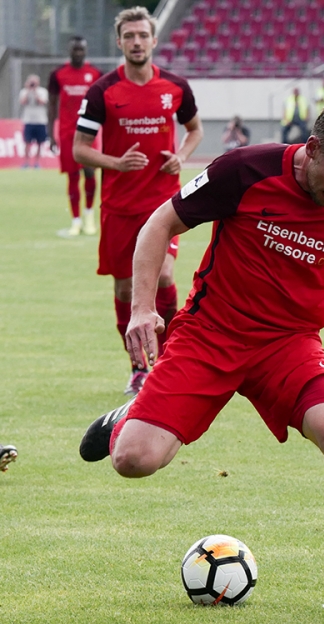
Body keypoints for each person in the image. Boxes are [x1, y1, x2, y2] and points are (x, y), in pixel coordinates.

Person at [78, 99, 324, 619]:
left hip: (289, 344)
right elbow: (160, 223)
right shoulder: (245, 170)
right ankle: (126, 422)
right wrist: (141, 308)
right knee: (134, 462)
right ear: (312, 148)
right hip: (211, 335)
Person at [73, 6, 204, 396]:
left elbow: (195, 129)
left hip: (163, 204)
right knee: (125, 291)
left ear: (154, 40)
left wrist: (181, 156)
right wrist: (116, 163)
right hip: (119, 207)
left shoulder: (176, 87)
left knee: (163, 276)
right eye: (129, 36)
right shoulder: (102, 91)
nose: (136, 42)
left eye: (142, 35)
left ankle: (166, 360)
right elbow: (80, 149)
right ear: (119, 42)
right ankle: (137, 368)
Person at [48, 35, 102, 236]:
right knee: (72, 176)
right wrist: (50, 133)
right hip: (67, 133)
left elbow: (104, 102)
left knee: (89, 172)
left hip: (89, 133)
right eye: (75, 49)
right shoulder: (57, 74)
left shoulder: (95, 73)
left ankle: (89, 216)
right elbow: (52, 105)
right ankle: (76, 221)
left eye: (81, 49)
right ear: (69, 51)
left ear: (85, 51)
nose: (78, 53)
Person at [19, 74, 48, 169]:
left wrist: (35, 91)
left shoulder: (42, 91)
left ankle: (37, 163)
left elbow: (42, 102)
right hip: (28, 120)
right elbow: (23, 102)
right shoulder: (24, 91)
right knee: (27, 142)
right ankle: (26, 162)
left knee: (40, 143)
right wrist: (28, 90)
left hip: (40, 120)